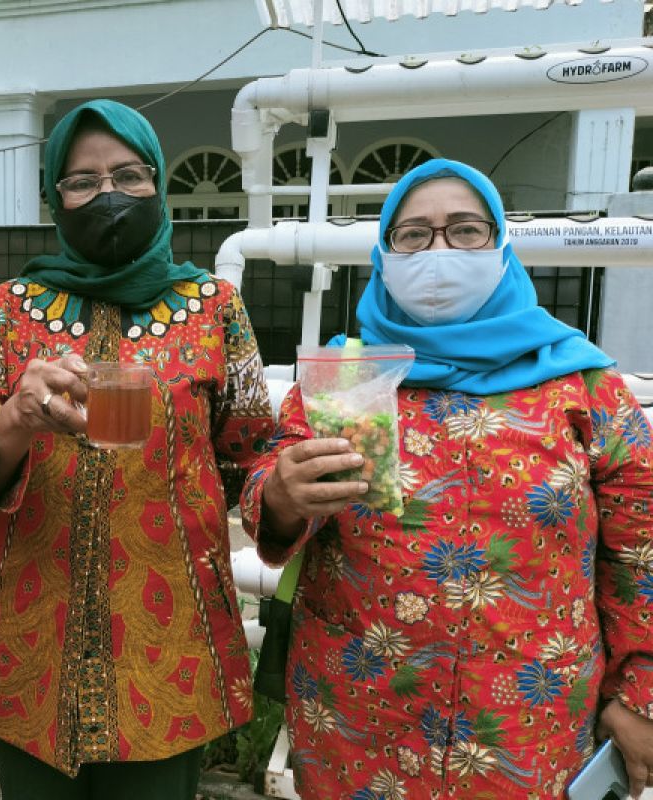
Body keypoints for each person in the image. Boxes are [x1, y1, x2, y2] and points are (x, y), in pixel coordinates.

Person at [241, 158, 653, 798]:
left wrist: (640, 695)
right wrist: (280, 494)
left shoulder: (584, 389)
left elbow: (643, 555)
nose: (439, 251)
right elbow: (273, 488)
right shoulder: (348, 377)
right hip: (357, 716)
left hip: (529, 727)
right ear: (384, 254)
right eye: (413, 235)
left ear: (501, 247)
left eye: (465, 231)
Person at [0, 99, 275, 800]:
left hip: (168, 641)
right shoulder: (4, 311)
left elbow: (253, 454)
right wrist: (15, 421)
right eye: (82, 181)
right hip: (28, 642)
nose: (108, 194)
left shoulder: (215, 309)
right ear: (54, 198)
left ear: (159, 185)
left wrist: (291, 493)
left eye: (128, 174)